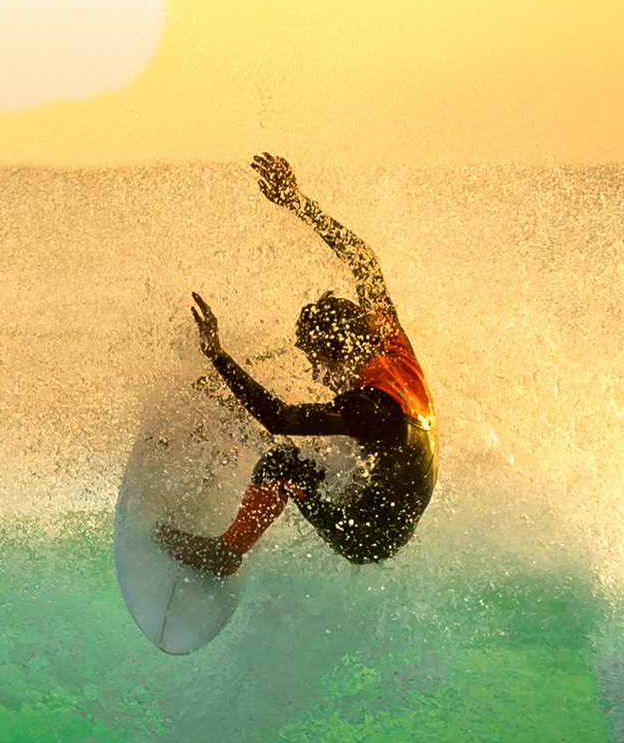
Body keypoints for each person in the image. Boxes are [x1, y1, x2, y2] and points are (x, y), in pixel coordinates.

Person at [157, 154, 437, 577]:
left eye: (316, 362)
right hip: (390, 505)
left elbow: (279, 418)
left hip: (367, 534)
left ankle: (225, 554)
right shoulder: (394, 347)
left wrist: (218, 356)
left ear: (339, 352)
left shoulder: (370, 408)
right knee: (310, 438)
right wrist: (297, 202)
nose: (315, 374)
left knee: (281, 462)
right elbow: (364, 260)